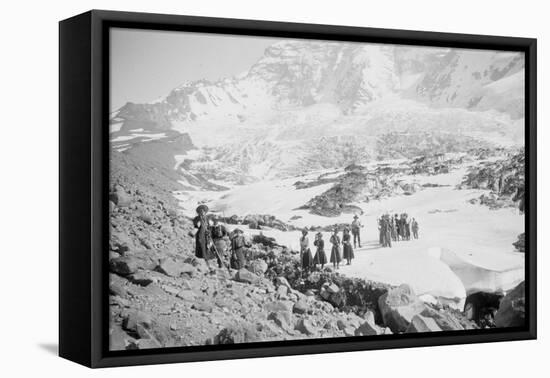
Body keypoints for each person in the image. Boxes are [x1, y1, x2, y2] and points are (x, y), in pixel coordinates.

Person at [193, 204, 216, 270]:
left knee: (207, 248)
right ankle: (202, 262)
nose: (202, 212)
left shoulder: (207, 218)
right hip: (200, 235)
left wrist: (209, 232)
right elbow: (196, 226)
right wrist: (198, 223)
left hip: (207, 236)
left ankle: (208, 263)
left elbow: (209, 227)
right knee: (201, 247)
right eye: (201, 211)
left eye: (203, 211)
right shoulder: (197, 218)